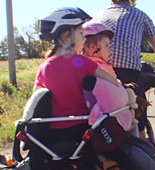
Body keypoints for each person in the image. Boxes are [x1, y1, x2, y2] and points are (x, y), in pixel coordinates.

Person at [91, 0, 155, 139]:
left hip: (97, 73)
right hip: (128, 74)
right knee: (138, 122)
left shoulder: (99, 15)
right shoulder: (140, 15)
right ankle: (142, 143)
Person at [33, 7, 120, 138]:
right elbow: (113, 82)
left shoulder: (44, 67)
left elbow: (35, 101)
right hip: (82, 129)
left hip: (53, 134)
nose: (84, 38)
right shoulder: (83, 62)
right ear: (68, 36)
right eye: (81, 33)